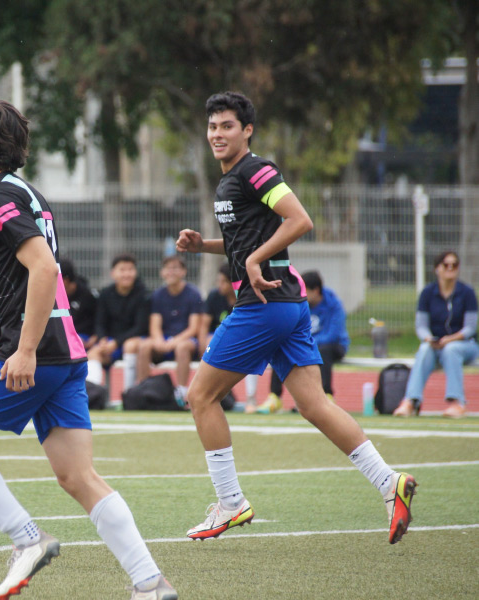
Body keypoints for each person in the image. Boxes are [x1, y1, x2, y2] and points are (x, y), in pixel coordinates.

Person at [0, 100, 176, 600]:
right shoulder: (28, 193)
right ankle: (151, 584)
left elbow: (44, 271)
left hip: (35, 356)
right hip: (67, 357)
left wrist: (24, 350)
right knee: (78, 477)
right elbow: (25, 283)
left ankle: (27, 540)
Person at [175, 91, 415, 545]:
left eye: (227, 126)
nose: (218, 134)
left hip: (263, 304)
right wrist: (203, 245)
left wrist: (255, 260)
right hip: (286, 305)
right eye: (212, 127)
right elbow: (247, 242)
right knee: (314, 405)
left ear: (247, 131)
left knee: (200, 396)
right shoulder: (231, 181)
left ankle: (230, 503)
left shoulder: (255, 169)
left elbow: (300, 220)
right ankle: (390, 483)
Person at [394, 250, 478, 418]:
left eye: (454, 265)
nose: (451, 268)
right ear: (436, 269)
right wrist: (429, 339)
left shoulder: (467, 293)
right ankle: (410, 401)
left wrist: (450, 339)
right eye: (446, 265)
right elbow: (421, 326)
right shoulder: (427, 293)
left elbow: (470, 328)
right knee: (425, 349)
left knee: (451, 349)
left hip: (464, 345)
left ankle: (457, 403)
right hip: (436, 345)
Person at [259, 270, 350, 413]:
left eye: (305, 290)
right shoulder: (299, 303)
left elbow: (333, 334)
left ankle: (326, 395)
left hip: (334, 346)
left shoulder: (334, 305)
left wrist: (308, 344)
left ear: (316, 290)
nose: (301, 293)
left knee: (324, 350)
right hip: (308, 345)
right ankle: (274, 397)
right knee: (281, 348)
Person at [136, 256, 203, 401]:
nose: (171, 272)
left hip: (186, 340)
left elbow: (193, 328)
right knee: (144, 346)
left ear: (184, 272)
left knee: (182, 347)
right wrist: (159, 340)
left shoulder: (193, 294)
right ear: (162, 272)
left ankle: (181, 392)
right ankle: (143, 389)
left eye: (175, 268)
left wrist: (175, 341)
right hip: (165, 338)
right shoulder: (158, 295)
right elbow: (155, 324)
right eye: (167, 268)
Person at [86, 254, 148, 392]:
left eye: (130, 269)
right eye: (122, 269)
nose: (127, 274)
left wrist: (116, 342)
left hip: (134, 341)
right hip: (110, 343)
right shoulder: (105, 294)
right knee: (93, 353)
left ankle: (128, 393)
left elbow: (140, 327)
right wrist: (102, 340)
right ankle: (93, 394)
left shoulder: (143, 294)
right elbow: (100, 322)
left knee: (130, 345)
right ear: (113, 273)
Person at [198, 262, 255, 411]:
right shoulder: (214, 296)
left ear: (233, 283)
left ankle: (251, 398)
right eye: (218, 281)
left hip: (241, 340)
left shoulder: (246, 297)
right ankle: (219, 395)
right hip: (217, 339)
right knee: (211, 340)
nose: (219, 285)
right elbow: (204, 326)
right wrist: (202, 347)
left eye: (223, 282)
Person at [60, 257, 98, 350]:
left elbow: (99, 317)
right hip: (62, 334)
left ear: (65, 280)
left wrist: (96, 336)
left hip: (84, 336)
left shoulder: (88, 295)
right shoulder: (52, 296)